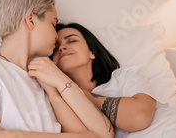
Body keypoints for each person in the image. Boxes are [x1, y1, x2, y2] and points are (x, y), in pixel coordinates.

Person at [0, 0, 113, 138]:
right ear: (31, 20)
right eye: (53, 24)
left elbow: (101, 135)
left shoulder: (46, 76)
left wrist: (56, 89)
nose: (56, 36)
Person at [35, 22, 168, 134]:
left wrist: (78, 92)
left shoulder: (124, 75)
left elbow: (139, 116)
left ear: (92, 52)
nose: (62, 47)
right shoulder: (58, 100)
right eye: (56, 47)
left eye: (72, 40)